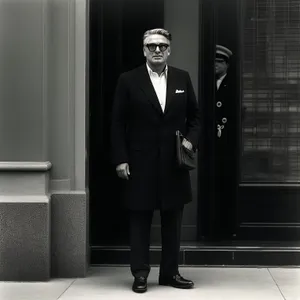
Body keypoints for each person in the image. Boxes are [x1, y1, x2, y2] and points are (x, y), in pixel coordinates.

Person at [110, 28, 201, 293]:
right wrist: (120, 159)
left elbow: (196, 118)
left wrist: (190, 141)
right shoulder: (128, 80)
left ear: (169, 49)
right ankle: (140, 274)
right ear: (144, 50)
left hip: (174, 163)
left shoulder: (183, 78)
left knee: (173, 220)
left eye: (162, 45)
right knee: (140, 220)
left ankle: (170, 273)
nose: (157, 50)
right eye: (152, 46)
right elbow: (117, 123)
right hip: (139, 163)